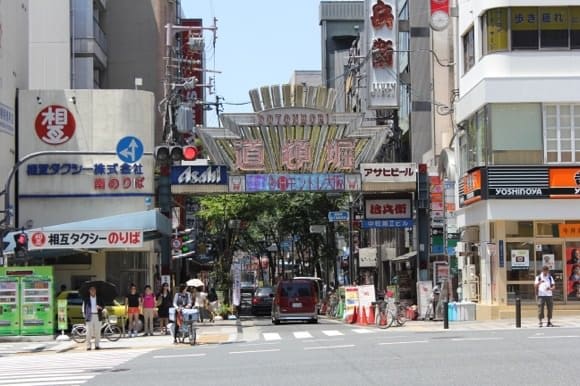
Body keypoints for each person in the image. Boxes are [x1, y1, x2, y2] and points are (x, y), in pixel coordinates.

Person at [82, 285, 104, 351]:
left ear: (95, 291)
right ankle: (88, 346)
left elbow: (103, 306)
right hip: (89, 316)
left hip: (97, 315)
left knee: (97, 331)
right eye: (91, 290)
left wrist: (100, 307)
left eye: (94, 290)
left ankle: (97, 345)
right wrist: (85, 315)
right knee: (89, 332)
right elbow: (83, 307)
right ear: (89, 291)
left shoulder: (99, 298)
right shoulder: (86, 299)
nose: (93, 291)